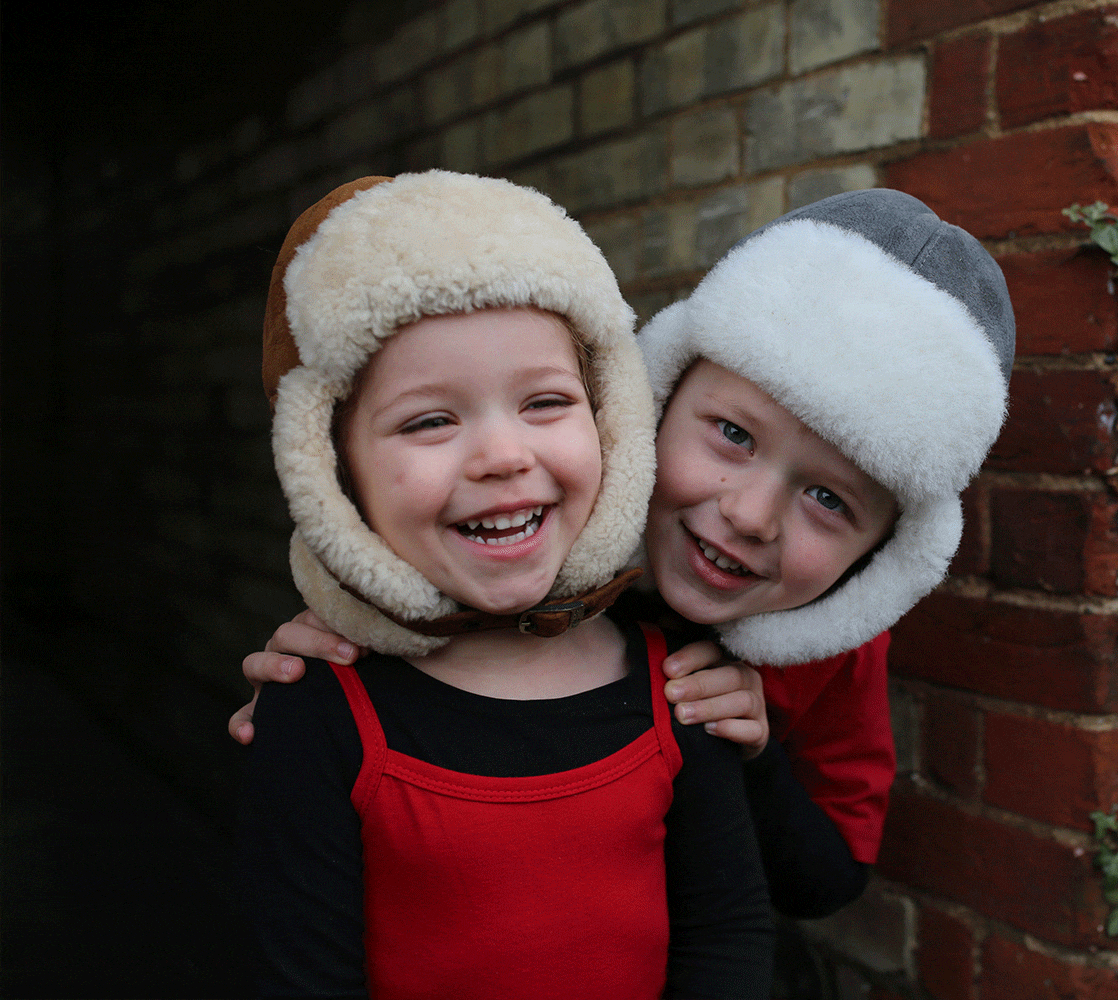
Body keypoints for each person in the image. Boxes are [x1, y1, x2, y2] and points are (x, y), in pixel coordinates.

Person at [236, 188, 1016, 921]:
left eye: (829, 499)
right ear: (656, 398)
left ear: (880, 556)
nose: (749, 515)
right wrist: (341, 650)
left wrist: (755, 756)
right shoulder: (529, 529)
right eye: (733, 435)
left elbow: (828, 878)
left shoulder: (837, 654)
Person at [237, 170, 772, 999]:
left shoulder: (681, 684)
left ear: (611, 417)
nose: (502, 456)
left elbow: (728, 932)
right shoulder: (317, 712)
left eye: (545, 402)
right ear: (334, 475)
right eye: (430, 420)